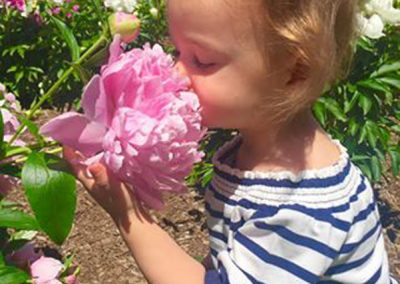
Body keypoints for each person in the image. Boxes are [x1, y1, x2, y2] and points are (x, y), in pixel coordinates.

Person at [63, 0, 398, 283]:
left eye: (203, 60)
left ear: (294, 70)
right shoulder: (256, 153)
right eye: (177, 50)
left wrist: (128, 215)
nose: (176, 72)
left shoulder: (301, 210)